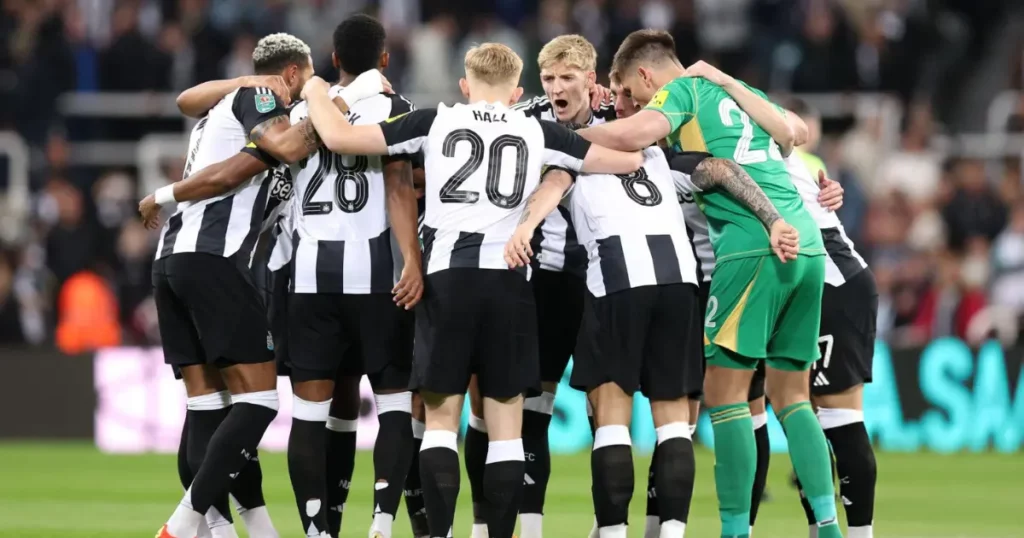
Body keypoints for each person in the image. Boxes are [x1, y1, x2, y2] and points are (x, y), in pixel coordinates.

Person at [300, 42, 644, 538]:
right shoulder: (538, 129)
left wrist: (314, 86)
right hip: (510, 281)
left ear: (464, 86)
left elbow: (337, 136)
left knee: (442, 421)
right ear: (517, 92)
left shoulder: (432, 121)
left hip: (447, 280)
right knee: (507, 427)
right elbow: (627, 162)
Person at [577, 30, 843, 538]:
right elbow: (797, 132)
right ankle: (828, 527)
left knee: (727, 398)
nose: (630, 108)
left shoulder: (679, 93)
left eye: (632, 96)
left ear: (647, 76)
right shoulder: (736, 92)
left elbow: (633, 137)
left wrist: (560, 138)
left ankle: (734, 530)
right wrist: (725, 77)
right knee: (793, 398)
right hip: (806, 242)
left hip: (750, 247)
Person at [139, 32, 323, 538]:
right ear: (291, 74)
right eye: (307, 80)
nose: (310, 90)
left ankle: (231, 533)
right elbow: (280, 145)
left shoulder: (222, 108)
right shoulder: (263, 98)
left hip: (172, 262)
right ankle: (181, 525)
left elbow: (187, 102)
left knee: (206, 409)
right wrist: (334, 103)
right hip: (212, 261)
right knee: (259, 402)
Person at [460, 34, 614, 538]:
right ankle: (521, 528)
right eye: (549, 79)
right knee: (530, 410)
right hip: (542, 283)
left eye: (568, 78)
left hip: (606, 284)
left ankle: (605, 526)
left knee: (605, 413)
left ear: (592, 81)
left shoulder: (624, 122)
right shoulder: (524, 119)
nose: (557, 89)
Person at [282, 14, 422, 538]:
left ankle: (318, 530)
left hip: (312, 281)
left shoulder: (304, 110)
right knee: (392, 408)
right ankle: (382, 523)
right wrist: (413, 259)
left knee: (309, 416)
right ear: (385, 59)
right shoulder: (396, 109)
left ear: (334, 58)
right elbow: (401, 187)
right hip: (379, 279)